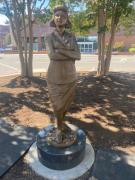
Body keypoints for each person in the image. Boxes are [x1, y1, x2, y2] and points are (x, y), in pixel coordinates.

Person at [47, 5, 80, 138]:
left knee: (66, 103)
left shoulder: (72, 36)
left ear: (67, 20)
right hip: (54, 75)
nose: (60, 18)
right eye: (57, 16)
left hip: (70, 75)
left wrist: (60, 50)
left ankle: (60, 124)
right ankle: (59, 127)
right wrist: (69, 53)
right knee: (57, 104)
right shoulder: (50, 36)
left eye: (63, 16)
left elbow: (78, 55)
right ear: (53, 18)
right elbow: (52, 55)